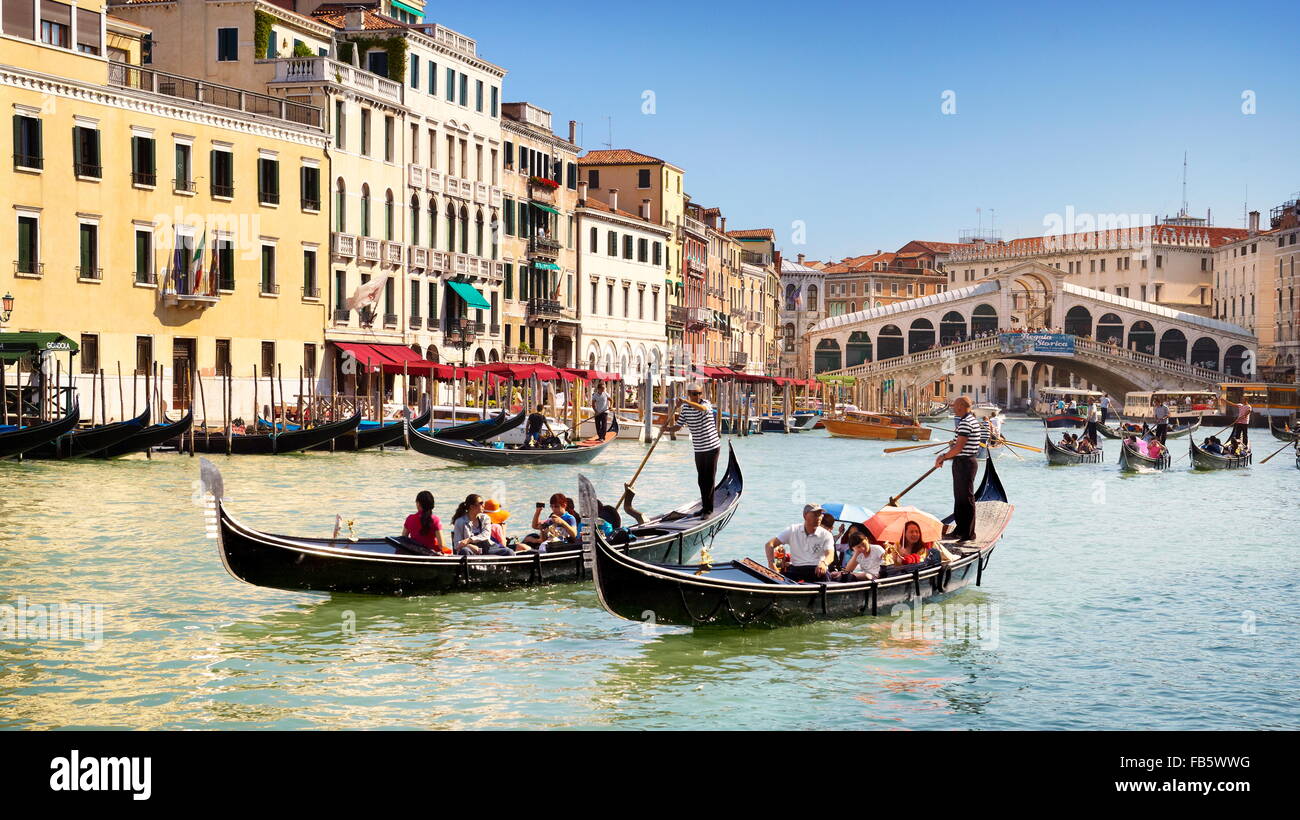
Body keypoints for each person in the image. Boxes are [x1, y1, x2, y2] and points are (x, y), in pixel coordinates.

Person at [665, 382, 721, 517]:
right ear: (690, 394)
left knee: (709, 478)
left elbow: (702, 409)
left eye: (699, 393)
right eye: (695, 394)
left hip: (712, 446)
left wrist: (685, 401)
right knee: (701, 479)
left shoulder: (705, 404)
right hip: (699, 448)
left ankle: (709, 510)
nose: (698, 396)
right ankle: (704, 506)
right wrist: (666, 429)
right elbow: (679, 426)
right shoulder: (685, 409)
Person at [934, 395, 980, 543]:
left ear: (960, 406)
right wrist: (947, 454)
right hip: (965, 462)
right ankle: (960, 530)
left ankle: (967, 534)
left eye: (954, 405)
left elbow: (959, 448)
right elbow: (959, 445)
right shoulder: (971, 420)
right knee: (960, 497)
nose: (953, 407)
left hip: (964, 463)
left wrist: (943, 457)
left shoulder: (966, 422)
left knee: (965, 498)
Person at [764, 504, 835, 582]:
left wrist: (824, 563)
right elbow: (769, 544)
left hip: (817, 570)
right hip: (796, 570)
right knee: (781, 580)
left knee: (824, 576)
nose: (819, 517)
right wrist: (772, 565)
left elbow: (830, 555)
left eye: (820, 514)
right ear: (805, 515)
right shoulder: (793, 530)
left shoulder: (826, 535)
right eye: (815, 514)